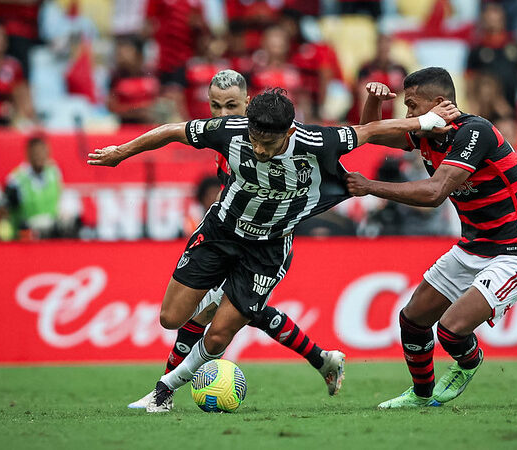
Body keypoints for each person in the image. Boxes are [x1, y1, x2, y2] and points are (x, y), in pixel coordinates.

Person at [89, 86, 459, 413]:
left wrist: (425, 121)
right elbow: (173, 131)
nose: (259, 149)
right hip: (221, 233)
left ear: (290, 131)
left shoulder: (318, 141)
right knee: (171, 318)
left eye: (269, 142)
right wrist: (122, 152)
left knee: (218, 336)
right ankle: (229, 301)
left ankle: (162, 392)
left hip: (268, 249)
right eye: (255, 139)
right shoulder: (229, 131)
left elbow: (370, 130)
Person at [126, 70, 350, 410]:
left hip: (267, 242)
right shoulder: (226, 138)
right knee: (240, 312)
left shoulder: (267, 139)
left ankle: (163, 393)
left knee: (209, 316)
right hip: (230, 235)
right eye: (215, 106)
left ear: (248, 103)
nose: (222, 115)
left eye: (231, 106)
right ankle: (322, 359)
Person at [348, 67, 517, 408]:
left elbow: (435, 192)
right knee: (412, 320)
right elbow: (373, 134)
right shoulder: (428, 134)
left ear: (439, 103)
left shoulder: (475, 132)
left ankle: (469, 360)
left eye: (412, 106)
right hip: (473, 246)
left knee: (451, 330)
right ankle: (421, 396)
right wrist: (372, 101)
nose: (408, 116)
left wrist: (369, 187)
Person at [5, 135, 62, 238]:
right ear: (28, 154)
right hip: (26, 233)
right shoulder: (16, 179)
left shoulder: (54, 172)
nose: (39, 156)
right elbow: (7, 209)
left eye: (42, 152)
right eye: (36, 153)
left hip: (51, 232)